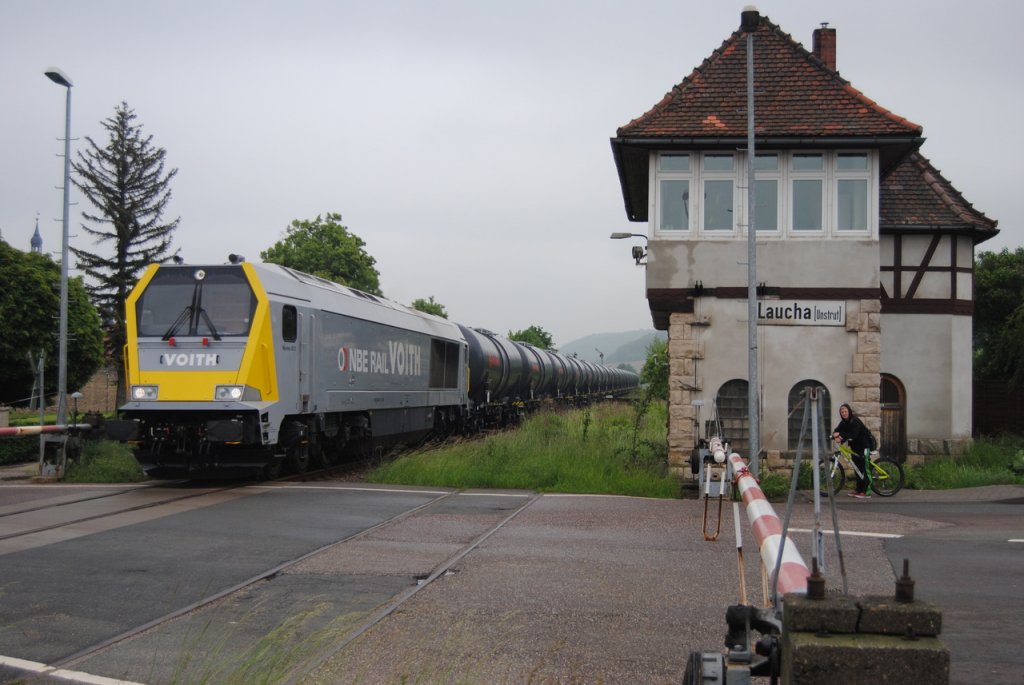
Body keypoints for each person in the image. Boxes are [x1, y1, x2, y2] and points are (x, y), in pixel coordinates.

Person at [832, 403, 873, 498]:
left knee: (864, 468)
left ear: (849, 412)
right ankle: (859, 490)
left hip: (865, 446)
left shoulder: (855, 421)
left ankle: (866, 492)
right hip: (855, 448)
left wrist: (840, 435)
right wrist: (833, 436)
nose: (844, 413)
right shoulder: (843, 423)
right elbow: (836, 431)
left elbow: (853, 435)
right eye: (842, 412)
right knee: (857, 469)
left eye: (845, 411)